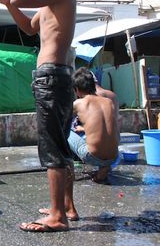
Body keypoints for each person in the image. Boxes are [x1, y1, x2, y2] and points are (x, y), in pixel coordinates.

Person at [0, 0, 76, 233]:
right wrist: (7, 4)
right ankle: (67, 207)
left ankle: (57, 216)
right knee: (60, 144)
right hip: (57, 76)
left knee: (52, 147)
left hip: (52, 76)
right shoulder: (51, 1)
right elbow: (29, 27)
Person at [38, 68, 120, 222]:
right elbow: (107, 126)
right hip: (114, 157)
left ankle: (68, 207)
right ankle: (103, 171)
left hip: (91, 155)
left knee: (61, 138)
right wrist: (84, 127)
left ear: (76, 89)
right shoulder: (109, 102)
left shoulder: (79, 103)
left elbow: (61, 124)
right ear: (94, 86)